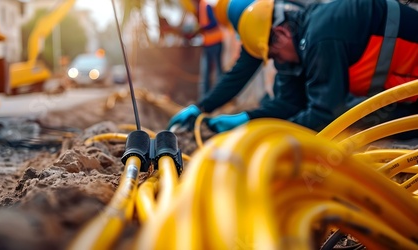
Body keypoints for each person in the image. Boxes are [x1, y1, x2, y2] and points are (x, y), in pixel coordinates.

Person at [170, 0, 418, 134]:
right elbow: (289, 102)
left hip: (410, 89)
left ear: (280, 33)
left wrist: (272, 136)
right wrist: (247, 119)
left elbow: (324, 113)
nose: (278, 63)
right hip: (406, 91)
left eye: (274, 55)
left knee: (356, 124)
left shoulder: (321, 37)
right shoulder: (296, 38)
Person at [188, 0, 225, 100]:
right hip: (208, 43)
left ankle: (220, 97)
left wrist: (201, 28)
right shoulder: (199, 8)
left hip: (215, 42)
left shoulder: (206, 6)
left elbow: (213, 23)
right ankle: (206, 99)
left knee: (217, 71)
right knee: (207, 72)